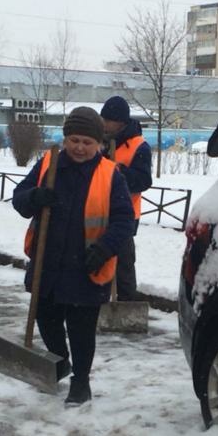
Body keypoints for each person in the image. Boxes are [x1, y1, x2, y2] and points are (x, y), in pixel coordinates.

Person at [12, 106, 135, 407]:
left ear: (99, 144)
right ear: (65, 139)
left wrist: (105, 248)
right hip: (48, 263)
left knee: (81, 330)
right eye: (74, 140)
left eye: (87, 142)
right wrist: (34, 197)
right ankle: (60, 361)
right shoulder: (49, 164)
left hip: (87, 266)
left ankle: (81, 382)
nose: (80, 148)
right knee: (46, 319)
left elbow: (124, 220)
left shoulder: (110, 174)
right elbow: (19, 197)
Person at [99, 95, 153, 300]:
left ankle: (126, 303)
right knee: (98, 259)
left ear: (120, 122)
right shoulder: (99, 143)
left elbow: (143, 181)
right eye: (103, 119)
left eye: (108, 120)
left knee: (123, 265)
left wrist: (120, 172)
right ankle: (98, 301)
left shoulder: (139, 146)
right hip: (97, 212)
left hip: (125, 215)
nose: (104, 124)